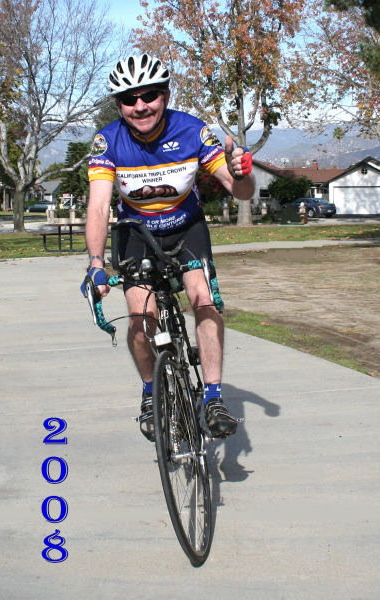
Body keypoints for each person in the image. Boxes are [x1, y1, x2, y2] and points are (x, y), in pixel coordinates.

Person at [84, 54, 254, 441]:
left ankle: (213, 395)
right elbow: (98, 206)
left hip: (185, 229)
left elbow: (238, 190)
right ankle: (149, 388)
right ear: (119, 105)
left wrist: (244, 174)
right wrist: (95, 263)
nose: (140, 106)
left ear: (165, 95)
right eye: (129, 99)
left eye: (150, 96)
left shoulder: (193, 131)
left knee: (202, 300)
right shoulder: (107, 141)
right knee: (141, 319)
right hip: (135, 235)